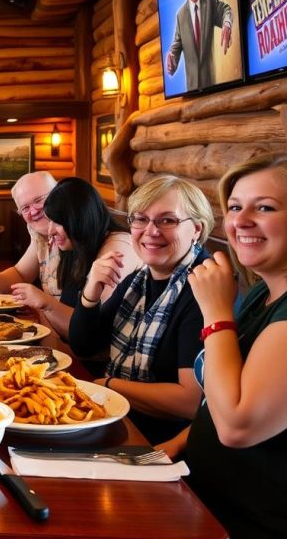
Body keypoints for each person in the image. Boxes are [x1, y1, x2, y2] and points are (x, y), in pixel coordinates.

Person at [167, 152, 287, 537]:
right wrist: (180, 442)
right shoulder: (266, 292)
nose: (240, 221)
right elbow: (221, 396)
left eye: (265, 207)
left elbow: (239, 426)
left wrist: (216, 313)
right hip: (204, 503)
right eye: (235, 207)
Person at [68, 176, 213, 443]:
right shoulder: (141, 278)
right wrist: (91, 292)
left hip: (163, 441)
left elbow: (189, 401)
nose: (151, 231)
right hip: (122, 420)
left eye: (167, 220)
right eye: (140, 219)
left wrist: (109, 386)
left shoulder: (203, 286)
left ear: (196, 229)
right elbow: (83, 345)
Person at [10, 177, 139, 340]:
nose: (50, 231)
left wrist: (45, 303)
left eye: (57, 223)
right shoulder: (76, 247)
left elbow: (87, 337)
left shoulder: (117, 250)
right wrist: (41, 311)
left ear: (79, 219)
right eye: (49, 221)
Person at [0, 171, 60, 296]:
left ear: (59, 195)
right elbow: (20, 275)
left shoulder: (80, 233)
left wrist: (43, 301)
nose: (33, 211)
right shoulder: (38, 233)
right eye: (25, 208)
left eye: (39, 200)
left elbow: (83, 313)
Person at [165, 0, 234, 91]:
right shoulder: (181, 16)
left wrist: (227, 24)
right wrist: (171, 63)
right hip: (192, 94)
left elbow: (226, 10)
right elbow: (175, 50)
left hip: (213, 87)